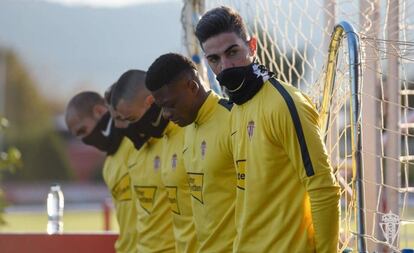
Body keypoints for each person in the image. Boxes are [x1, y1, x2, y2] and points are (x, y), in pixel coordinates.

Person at [195, 6, 341, 253]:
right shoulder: (237, 108)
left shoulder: (286, 103)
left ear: (252, 46)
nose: (226, 65)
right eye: (214, 59)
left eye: (233, 52)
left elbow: (323, 188)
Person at [146, 53, 237, 252]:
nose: (166, 115)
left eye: (170, 105)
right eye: (161, 107)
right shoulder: (188, 127)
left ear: (192, 87)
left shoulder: (234, 119)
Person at [111, 69, 198, 253]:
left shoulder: (188, 133)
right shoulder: (152, 141)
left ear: (150, 102)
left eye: (131, 119)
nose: (127, 128)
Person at [65, 91, 139, 253]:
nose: (84, 140)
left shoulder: (138, 143)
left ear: (99, 111)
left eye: (82, 130)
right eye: (78, 136)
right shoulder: (109, 165)